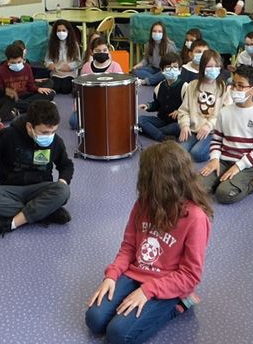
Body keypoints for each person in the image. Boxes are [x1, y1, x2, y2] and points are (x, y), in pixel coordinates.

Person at [85, 141, 212, 344]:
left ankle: (177, 306)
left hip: (167, 285)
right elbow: (128, 247)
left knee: (118, 335)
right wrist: (112, 275)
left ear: (161, 182)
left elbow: (190, 275)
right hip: (137, 273)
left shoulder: (195, 218)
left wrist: (147, 291)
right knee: (94, 320)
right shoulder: (144, 203)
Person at [0, 100, 74, 236]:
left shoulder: (56, 141)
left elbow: (66, 165)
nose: (49, 136)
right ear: (29, 127)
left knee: (63, 191)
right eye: (44, 132)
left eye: (53, 131)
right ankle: (45, 212)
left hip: (39, 189)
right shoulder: (8, 135)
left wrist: (63, 180)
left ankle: (10, 223)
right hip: (10, 190)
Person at [200, 65, 253, 204]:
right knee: (196, 188)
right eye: (233, 84)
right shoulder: (224, 112)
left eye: (240, 86)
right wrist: (214, 159)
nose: (234, 89)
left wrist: (239, 166)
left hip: (246, 165)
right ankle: (221, 181)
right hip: (223, 161)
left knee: (224, 195)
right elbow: (216, 141)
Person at [178, 50, 232, 162]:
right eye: (209, 66)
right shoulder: (192, 86)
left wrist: (209, 125)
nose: (213, 69)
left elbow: (225, 114)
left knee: (196, 154)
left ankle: (219, 146)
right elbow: (184, 110)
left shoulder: (223, 88)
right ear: (203, 67)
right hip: (193, 129)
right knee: (180, 152)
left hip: (212, 131)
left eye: (216, 66)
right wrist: (184, 125)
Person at [138, 53, 186, 142]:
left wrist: (180, 111)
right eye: (168, 67)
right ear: (162, 70)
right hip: (161, 120)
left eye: (175, 67)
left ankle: (151, 132)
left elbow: (189, 107)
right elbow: (157, 104)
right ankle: (162, 137)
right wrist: (148, 106)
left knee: (177, 127)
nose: (172, 70)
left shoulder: (185, 87)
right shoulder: (159, 86)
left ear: (180, 69)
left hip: (176, 122)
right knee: (140, 120)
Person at [0, 44, 55, 113]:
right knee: (6, 101)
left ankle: (19, 108)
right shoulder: (0, 71)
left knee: (50, 93)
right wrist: (6, 91)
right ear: (7, 60)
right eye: (13, 63)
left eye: (19, 62)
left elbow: (31, 86)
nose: (16, 65)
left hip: (25, 95)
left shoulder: (27, 67)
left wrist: (38, 89)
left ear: (23, 59)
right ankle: (37, 107)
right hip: (12, 98)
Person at [132, 21, 178, 86]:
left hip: (164, 70)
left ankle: (145, 81)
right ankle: (156, 80)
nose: (157, 33)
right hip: (153, 69)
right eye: (154, 31)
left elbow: (175, 62)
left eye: (159, 31)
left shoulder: (170, 46)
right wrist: (137, 66)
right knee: (136, 71)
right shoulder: (148, 44)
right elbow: (145, 60)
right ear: (151, 33)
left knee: (166, 73)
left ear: (163, 33)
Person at [45, 19, 82, 94]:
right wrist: (50, 64)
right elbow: (47, 59)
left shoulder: (74, 44)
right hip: (56, 72)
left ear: (68, 31)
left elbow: (78, 61)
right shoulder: (51, 44)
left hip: (70, 73)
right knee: (56, 88)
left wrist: (70, 66)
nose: (61, 33)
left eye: (63, 30)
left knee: (66, 88)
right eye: (59, 30)